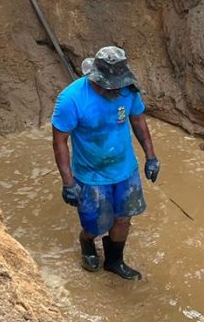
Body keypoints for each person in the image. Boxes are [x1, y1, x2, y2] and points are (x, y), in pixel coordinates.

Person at [51, 46, 160, 280]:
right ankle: (87, 242)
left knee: (123, 218)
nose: (116, 89)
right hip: (91, 175)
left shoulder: (128, 91)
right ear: (96, 78)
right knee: (95, 225)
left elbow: (139, 121)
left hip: (125, 170)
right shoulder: (71, 99)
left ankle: (114, 261)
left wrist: (151, 157)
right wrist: (68, 182)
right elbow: (60, 141)